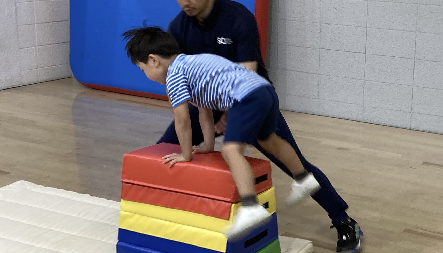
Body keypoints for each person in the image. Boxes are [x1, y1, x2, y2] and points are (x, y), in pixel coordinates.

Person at [160, 0, 362, 253]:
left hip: (250, 99)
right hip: (208, 102)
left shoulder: (237, 17)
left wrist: (229, 116)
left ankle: (343, 220)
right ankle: (167, 221)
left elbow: (248, 72)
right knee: (164, 150)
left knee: (294, 164)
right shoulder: (178, 27)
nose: (184, 1)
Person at [123, 26, 321, 240]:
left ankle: (250, 206)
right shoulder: (193, 65)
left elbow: (182, 120)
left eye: (142, 69)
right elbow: (204, 112)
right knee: (268, 139)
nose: (145, 75)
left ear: (153, 60)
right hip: (264, 90)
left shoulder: (174, 76)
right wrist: (208, 145)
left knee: (230, 150)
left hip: (246, 96)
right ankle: (303, 178)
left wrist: (185, 154)